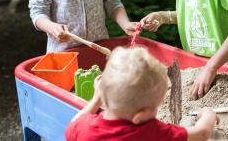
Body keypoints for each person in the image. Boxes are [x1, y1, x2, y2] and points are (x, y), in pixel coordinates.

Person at [65, 46, 218, 141]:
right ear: (139, 116)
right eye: (155, 106)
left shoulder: (85, 128)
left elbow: (73, 124)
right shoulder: (151, 132)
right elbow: (202, 134)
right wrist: (208, 115)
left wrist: (96, 100)